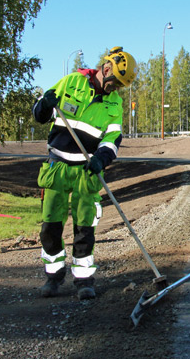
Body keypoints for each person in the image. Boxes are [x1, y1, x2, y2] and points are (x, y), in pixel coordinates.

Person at [32, 47, 137, 300]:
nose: (115, 89)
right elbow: (40, 115)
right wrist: (45, 105)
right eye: (115, 83)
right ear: (107, 68)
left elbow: (113, 137)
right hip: (56, 167)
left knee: (84, 228)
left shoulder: (115, 103)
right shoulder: (72, 82)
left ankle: (84, 280)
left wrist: (102, 158)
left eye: (120, 86)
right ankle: (53, 277)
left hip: (86, 171)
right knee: (50, 227)